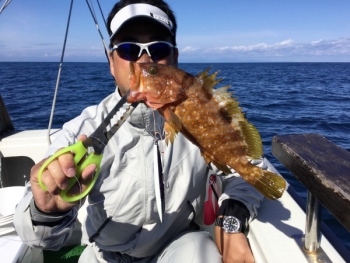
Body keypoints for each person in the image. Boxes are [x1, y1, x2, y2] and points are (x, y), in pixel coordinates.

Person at [14, 0, 267, 262]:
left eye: (158, 49)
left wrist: (232, 219)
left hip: (179, 243)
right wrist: (47, 213)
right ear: (111, 62)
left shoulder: (197, 112)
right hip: (106, 254)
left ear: (175, 59)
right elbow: (40, 240)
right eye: (128, 49)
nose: (144, 61)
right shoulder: (82, 132)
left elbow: (251, 166)